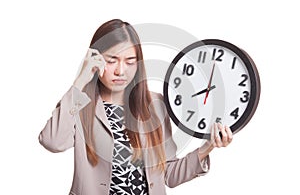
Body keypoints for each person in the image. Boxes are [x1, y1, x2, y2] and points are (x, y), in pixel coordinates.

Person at [39, 19, 233, 195]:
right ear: (95, 59)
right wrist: (80, 81)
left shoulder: (156, 106)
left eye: (130, 61)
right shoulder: (80, 104)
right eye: (111, 60)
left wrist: (207, 147)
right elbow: (52, 141)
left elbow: (169, 175)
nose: (120, 70)